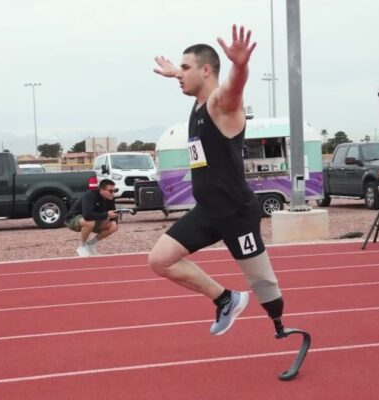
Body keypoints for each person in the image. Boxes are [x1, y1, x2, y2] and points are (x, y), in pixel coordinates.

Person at [149, 25, 286, 337]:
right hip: (208, 212)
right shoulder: (197, 104)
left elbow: (233, 90)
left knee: (264, 285)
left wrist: (239, 65)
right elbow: (195, 79)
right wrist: (174, 72)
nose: (180, 74)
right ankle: (226, 299)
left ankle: (280, 324)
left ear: (206, 70)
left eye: (186, 68)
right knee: (159, 260)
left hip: (236, 213)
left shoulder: (220, 105)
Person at [66, 179, 118, 257]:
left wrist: (114, 220)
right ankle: (82, 246)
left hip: (93, 219)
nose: (113, 193)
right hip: (74, 219)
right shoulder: (90, 195)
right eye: (110, 191)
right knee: (89, 222)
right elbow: (87, 216)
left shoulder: (110, 198)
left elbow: (112, 213)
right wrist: (106, 215)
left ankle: (90, 245)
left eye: (115, 190)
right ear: (101, 190)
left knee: (113, 226)